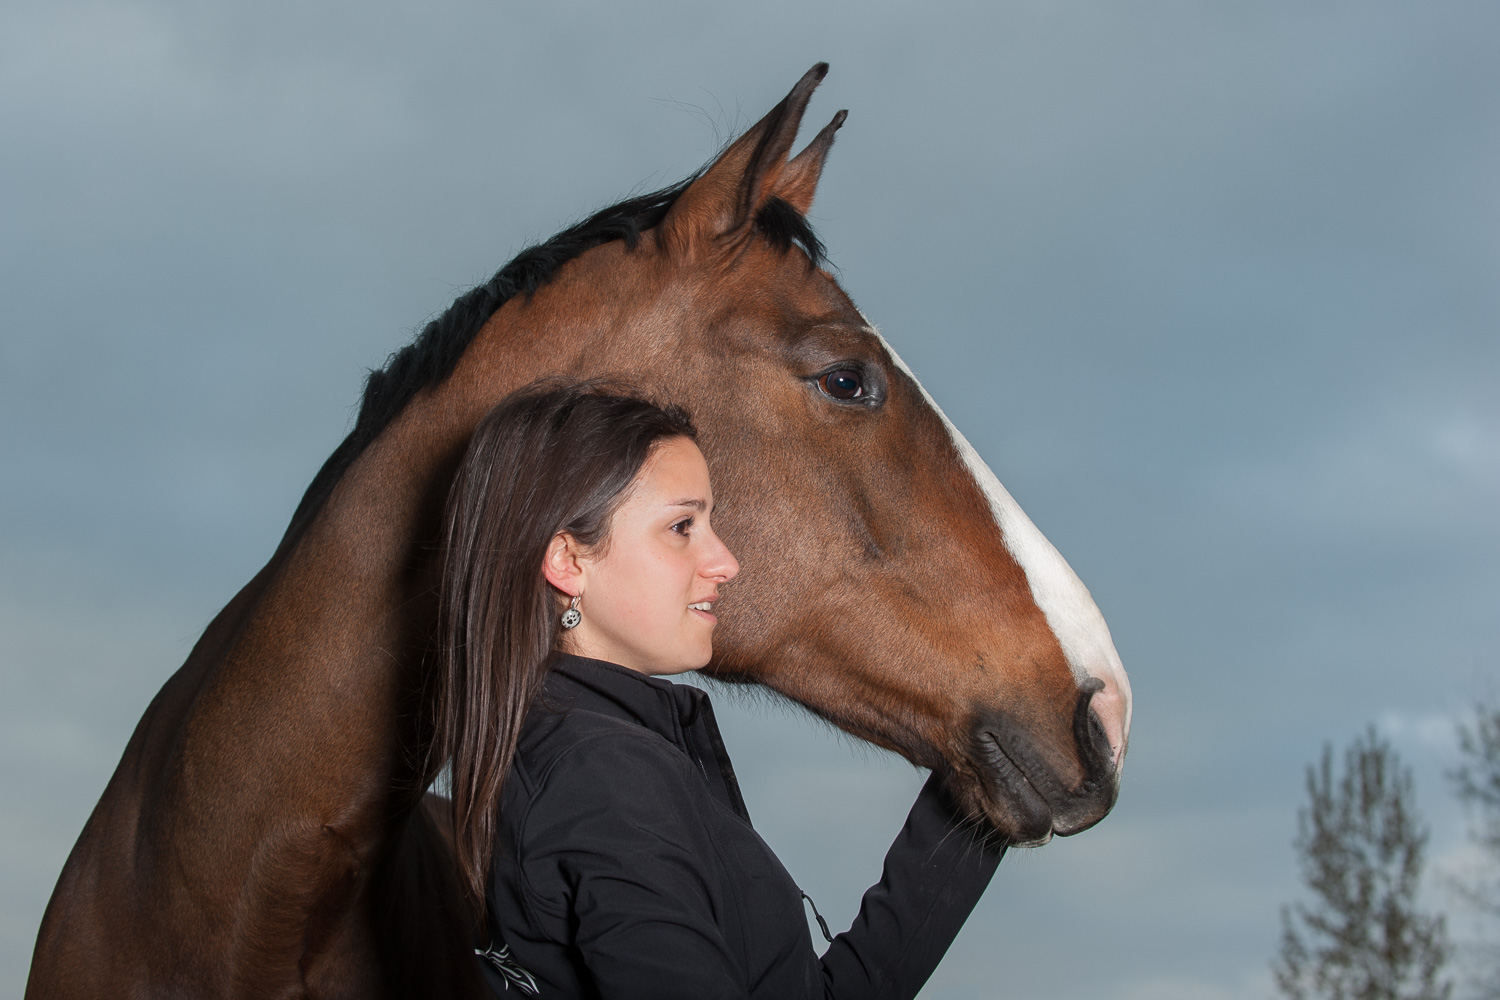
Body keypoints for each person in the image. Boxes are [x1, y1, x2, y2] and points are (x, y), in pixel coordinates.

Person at [429, 379, 1005, 1000]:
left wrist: (986, 784)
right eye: (682, 526)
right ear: (567, 561)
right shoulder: (605, 778)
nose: (725, 561)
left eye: (710, 523)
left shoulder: (584, 758)